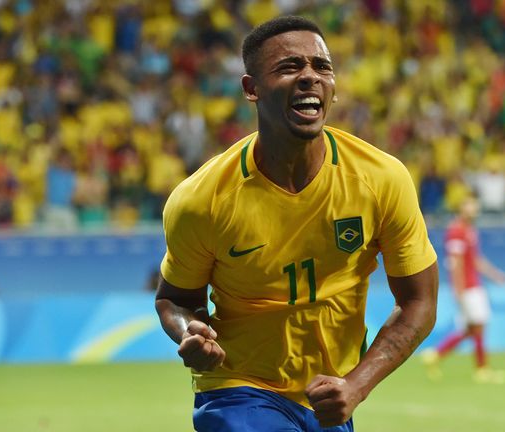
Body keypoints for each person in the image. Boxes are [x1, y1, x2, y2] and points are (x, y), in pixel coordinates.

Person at [154, 16, 439, 432]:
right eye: (289, 67)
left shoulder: (381, 179)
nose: (310, 77)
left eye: (321, 67)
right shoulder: (202, 200)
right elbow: (175, 298)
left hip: (326, 397)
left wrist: (356, 386)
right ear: (251, 89)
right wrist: (188, 333)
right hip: (238, 389)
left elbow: (419, 301)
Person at [420, 194, 505, 384]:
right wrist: (459, 290)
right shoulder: (456, 231)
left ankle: (436, 355)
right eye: (469, 204)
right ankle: (481, 369)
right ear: (461, 208)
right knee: (478, 326)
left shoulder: (469, 230)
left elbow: (475, 259)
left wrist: (495, 275)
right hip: (468, 288)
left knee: (471, 328)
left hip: (474, 285)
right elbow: (456, 263)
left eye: (475, 204)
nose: (474, 208)